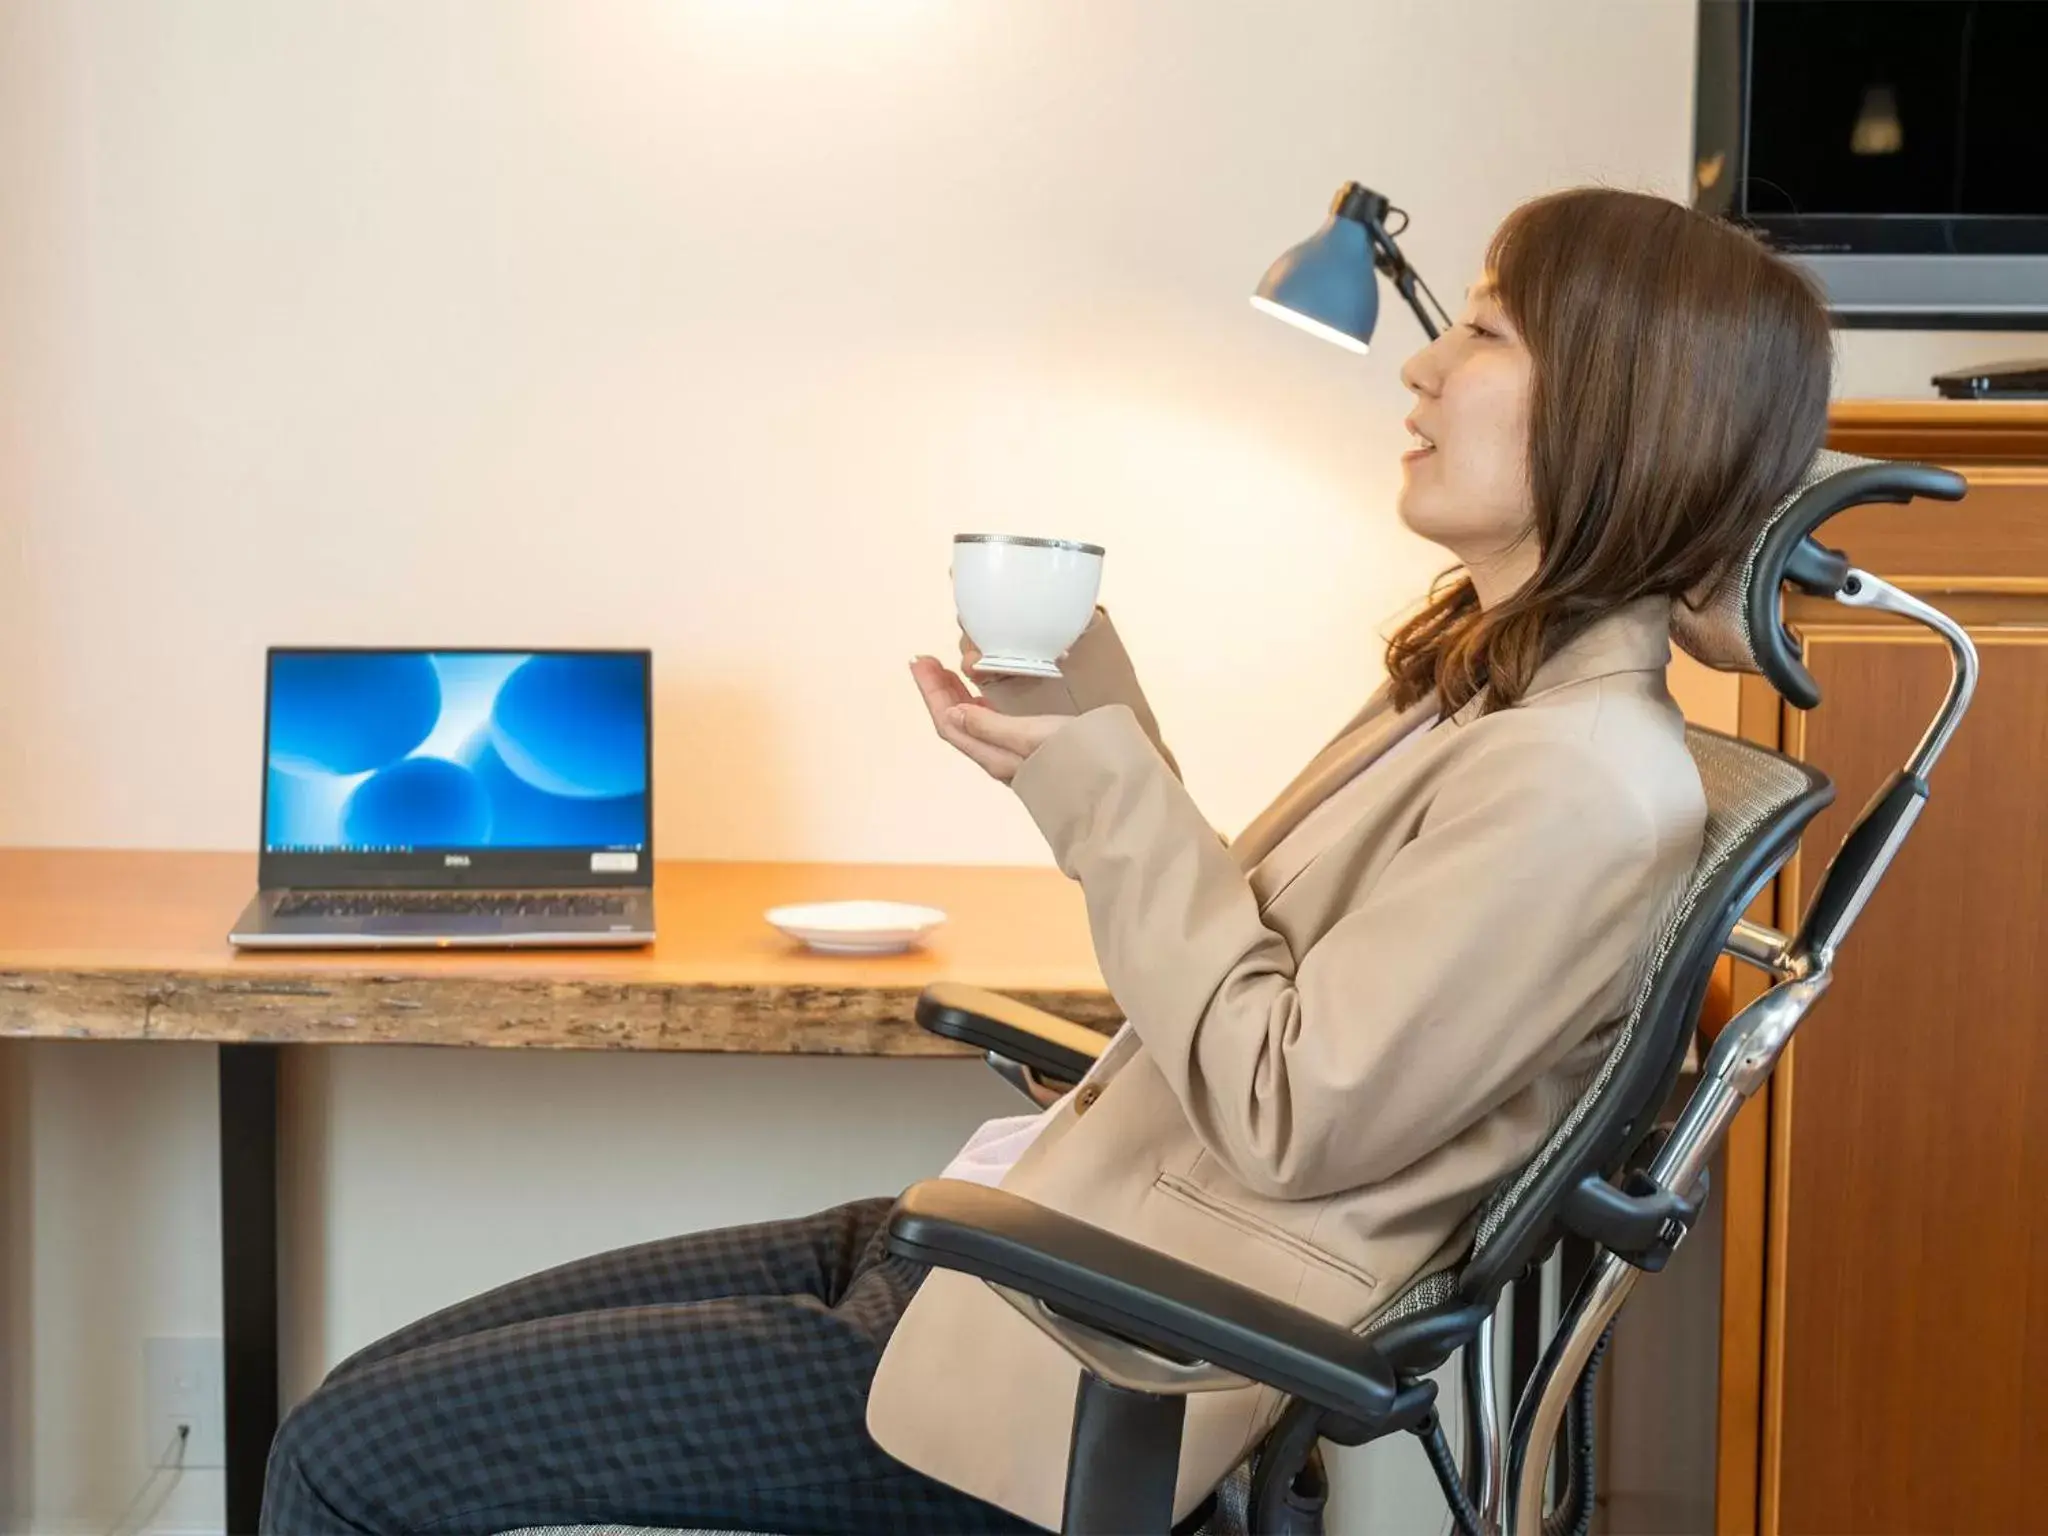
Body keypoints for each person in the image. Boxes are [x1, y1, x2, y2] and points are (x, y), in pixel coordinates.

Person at [260, 187, 1832, 1534]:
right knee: (357, 1403)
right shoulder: (1488, 694)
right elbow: (1271, 959)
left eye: (1484, 331)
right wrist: (1100, 723)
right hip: (1039, 1251)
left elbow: (1292, 1104)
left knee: (342, 1461)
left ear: (1624, 403)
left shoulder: (1580, 782)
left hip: (1089, 1352)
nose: (1422, 362)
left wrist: (1098, 790)